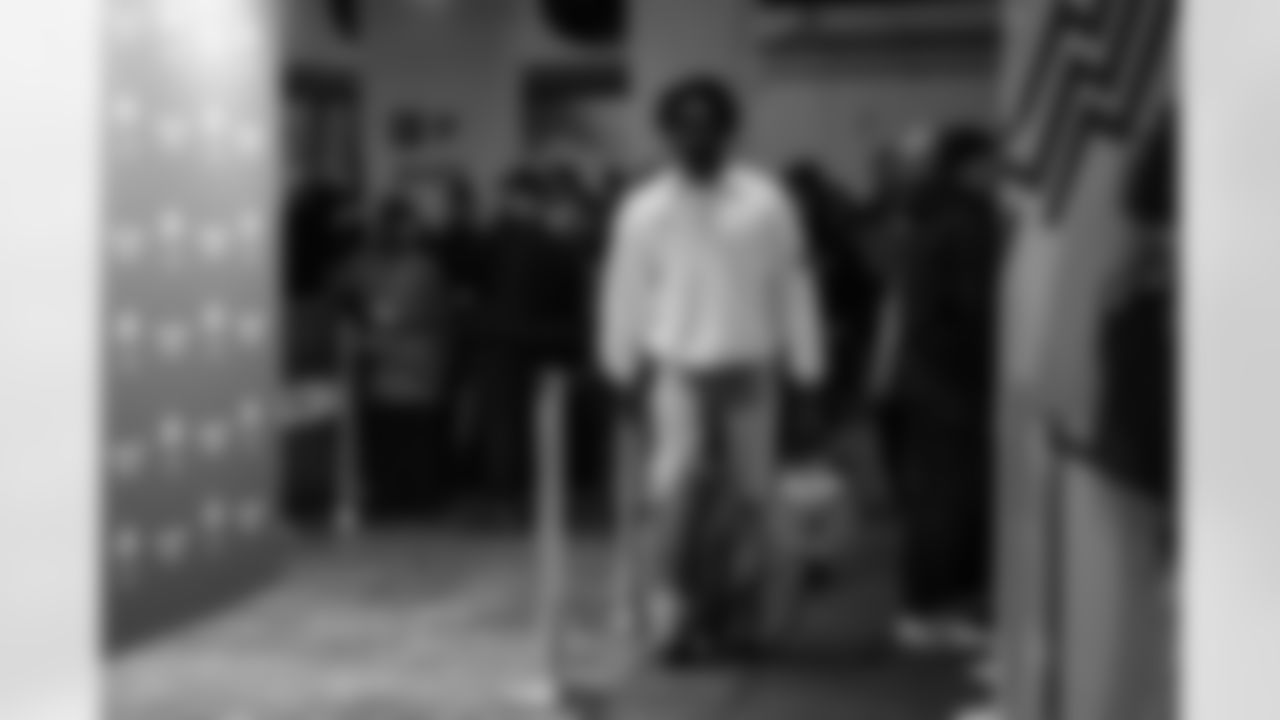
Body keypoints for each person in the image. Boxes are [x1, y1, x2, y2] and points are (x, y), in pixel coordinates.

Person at [598, 74, 827, 662]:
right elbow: (625, 293)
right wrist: (621, 370)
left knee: (754, 501)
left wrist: (807, 372)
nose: (695, 137)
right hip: (676, 375)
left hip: (751, 373)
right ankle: (671, 627)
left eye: (707, 125)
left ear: (728, 131)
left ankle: (750, 626)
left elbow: (793, 286)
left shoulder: (766, 203)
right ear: (667, 133)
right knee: (671, 504)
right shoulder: (644, 210)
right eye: (683, 126)